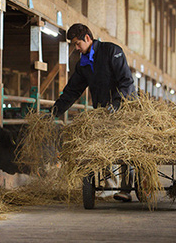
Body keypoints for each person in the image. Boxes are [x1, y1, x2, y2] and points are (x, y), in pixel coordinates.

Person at [50, 23, 136, 202]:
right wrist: (52, 113)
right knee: (102, 145)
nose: (76, 48)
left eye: (77, 44)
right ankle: (110, 185)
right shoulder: (84, 64)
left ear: (87, 38)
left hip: (125, 109)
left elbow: (126, 82)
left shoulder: (112, 51)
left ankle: (126, 188)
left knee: (126, 147)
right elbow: (72, 91)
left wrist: (117, 103)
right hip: (102, 112)